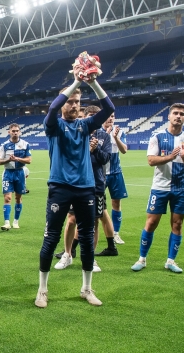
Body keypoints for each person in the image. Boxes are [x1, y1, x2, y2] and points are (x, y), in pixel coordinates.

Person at [34, 64, 114, 309]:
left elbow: (109, 108)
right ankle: (42, 290)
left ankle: (87, 289)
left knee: (88, 240)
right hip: (59, 187)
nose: (73, 105)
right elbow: (53, 107)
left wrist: (91, 82)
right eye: (70, 101)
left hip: (85, 188)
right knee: (51, 239)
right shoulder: (54, 125)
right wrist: (77, 82)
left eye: (77, 102)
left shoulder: (85, 125)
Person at [131, 103, 184, 273]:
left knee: (177, 224)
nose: (178, 116)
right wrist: (171, 156)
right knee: (151, 222)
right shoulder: (157, 137)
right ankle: (142, 259)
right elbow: (151, 161)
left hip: (181, 188)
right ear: (168, 116)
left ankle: (170, 261)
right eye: (175, 113)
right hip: (160, 187)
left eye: (182, 114)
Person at [54, 105, 111, 273]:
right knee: (71, 220)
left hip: (96, 185)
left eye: (97, 115)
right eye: (91, 115)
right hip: (76, 182)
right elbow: (70, 156)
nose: (95, 118)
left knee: (93, 223)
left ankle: (91, 257)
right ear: (85, 116)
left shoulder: (104, 137)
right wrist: (87, 149)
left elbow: (106, 159)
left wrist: (96, 150)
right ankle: (67, 254)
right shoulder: (77, 131)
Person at [0, 123, 32, 231]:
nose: (15, 132)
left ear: (20, 132)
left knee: (18, 198)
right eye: (13, 131)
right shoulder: (4, 145)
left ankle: (16, 221)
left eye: (17, 131)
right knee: (7, 197)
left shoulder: (25, 144)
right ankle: (7, 222)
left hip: (20, 173)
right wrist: (8, 160)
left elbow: (29, 160)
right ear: (9, 132)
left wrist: (17, 159)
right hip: (8, 173)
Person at [102, 112, 129, 245]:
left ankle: (116, 233)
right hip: (100, 174)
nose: (110, 118)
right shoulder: (96, 130)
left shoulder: (120, 132)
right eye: (108, 115)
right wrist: (107, 135)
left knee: (116, 203)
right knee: (95, 203)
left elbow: (124, 150)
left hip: (115, 173)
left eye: (112, 116)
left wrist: (116, 138)